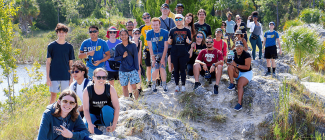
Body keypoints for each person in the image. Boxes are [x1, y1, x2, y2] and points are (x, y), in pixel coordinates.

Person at [83, 68, 120, 134]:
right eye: (99, 77)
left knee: (106, 109)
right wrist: (89, 123)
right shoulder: (88, 90)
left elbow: (117, 107)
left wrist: (114, 124)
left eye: (104, 77)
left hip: (107, 115)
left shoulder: (110, 88)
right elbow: (85, 109)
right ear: (93, 78)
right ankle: (95, 127)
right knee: (85, 126)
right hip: (93, 115)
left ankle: (108, 127)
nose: (101, 80)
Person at [46, 23, 75, 104]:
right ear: (57, 33)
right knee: (53, 97)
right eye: (59, 32)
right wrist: (48, 78)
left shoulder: (69, 47)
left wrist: (71, 77)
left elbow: (71, 63)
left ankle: (64, 115)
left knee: (65, 97)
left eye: (63, 32)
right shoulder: (51, 46)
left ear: (66, 33)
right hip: (54, 75)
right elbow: (48, 63)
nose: (61, 34)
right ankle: (50, 114)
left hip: (66, 75)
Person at [168, 14, 192, 92]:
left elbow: (190, 41)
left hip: (183, 53)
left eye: (180, 19)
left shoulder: (187, 30)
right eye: (177, 19)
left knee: (182, 69)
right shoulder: (172, 30)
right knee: (176, 69)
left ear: (183, 20)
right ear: (175, 20)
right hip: (174, 53)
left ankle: (183, 85)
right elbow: (171, 41)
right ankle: (177, 85)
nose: (178, 21)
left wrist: (189, 42)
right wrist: (169, 42)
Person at [115, 29, 140, 99]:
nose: (124, 36)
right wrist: (122, 56)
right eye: (122, 35)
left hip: (132, 69)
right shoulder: (118, 47)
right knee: (124, 86)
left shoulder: (133, 45)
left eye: (125, 34)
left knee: (134, 86)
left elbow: (136, 57)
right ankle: (127, 101)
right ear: (119, 36)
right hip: (123, 69)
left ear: (128, 35)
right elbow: (115, 58)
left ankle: (137, 101)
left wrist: (137, 68)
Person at [227, 41, 253, 111]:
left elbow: (247, 67)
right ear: (235, 47)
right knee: (229, 67)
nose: (239, 47)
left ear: (243, 47)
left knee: (239, 84)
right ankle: (232, 83)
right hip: (238, 72)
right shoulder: (233, 53)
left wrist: (236, 65)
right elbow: (229, 64)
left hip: (246, 73)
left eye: (240, 46)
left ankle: (239, 104)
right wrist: (228, 60)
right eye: (237, 46)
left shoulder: (247, 54)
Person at [147, 18, 169, 92]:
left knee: (162, 68)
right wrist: (153, 58)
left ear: (159, 25)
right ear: (152, 25)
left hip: (162, 52)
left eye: (157, 25)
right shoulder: (149, 33)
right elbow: (150, 46)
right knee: (155, 68)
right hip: (154, 53)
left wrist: (162, 58)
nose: (155, 26)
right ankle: (153, 85)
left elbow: (166, 46)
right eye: (154, 25)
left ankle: (164, 84)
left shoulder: (165, 32)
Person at [139, 12, 153, 87]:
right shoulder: (142, 27)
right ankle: (149, 82)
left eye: (148, 17)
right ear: (143, 19)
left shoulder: (154, 25)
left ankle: (157, 80)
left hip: (154, 48)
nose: (146, 19)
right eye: (145, 18)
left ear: (150, 17)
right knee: (148, 66)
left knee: (156, 65)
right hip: (146, 48)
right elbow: (136, 35)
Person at [128, 28, 143, 97]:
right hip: (130, 61)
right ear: (133, 34)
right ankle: (130, 93)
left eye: (138, 33)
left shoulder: (140, 42)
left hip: (136, 61)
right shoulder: (129, 42)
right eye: (135, 33)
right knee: (130, 77)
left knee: (139, 74)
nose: (137, 35)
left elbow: (139, 53)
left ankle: (139, 90)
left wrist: (139, 64)